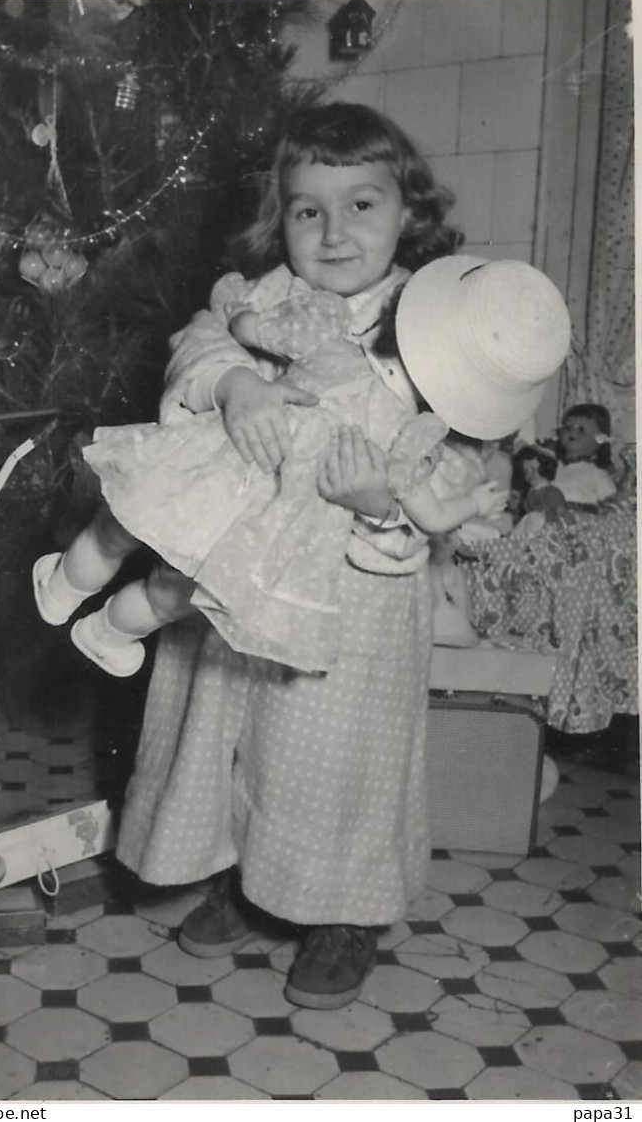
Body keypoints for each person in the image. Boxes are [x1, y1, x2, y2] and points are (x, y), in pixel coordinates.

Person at [114, 103, 572, 1011]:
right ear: (278, 217)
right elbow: (193, 344)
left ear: (408, 211)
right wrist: (234, 380)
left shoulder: (434, 327)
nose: (330, 231)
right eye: (305, 209)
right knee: (234, 727)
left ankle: (342, 909)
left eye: (360, 205)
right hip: (243, 572)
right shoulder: (264, 296)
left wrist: (383, 512)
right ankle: (248, 880)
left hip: (359, 587)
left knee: (339, 750)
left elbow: (451, 479)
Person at [32, 263, 508, 676]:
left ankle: (62, 588)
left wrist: (240, 310)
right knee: (171, 595)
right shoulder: (409, 430)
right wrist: (474, 502)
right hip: (265, 523)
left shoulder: (331, 336)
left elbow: (247, 328)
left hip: (228, 460)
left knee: (125, 524)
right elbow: (431, 514)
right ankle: (106, 635)